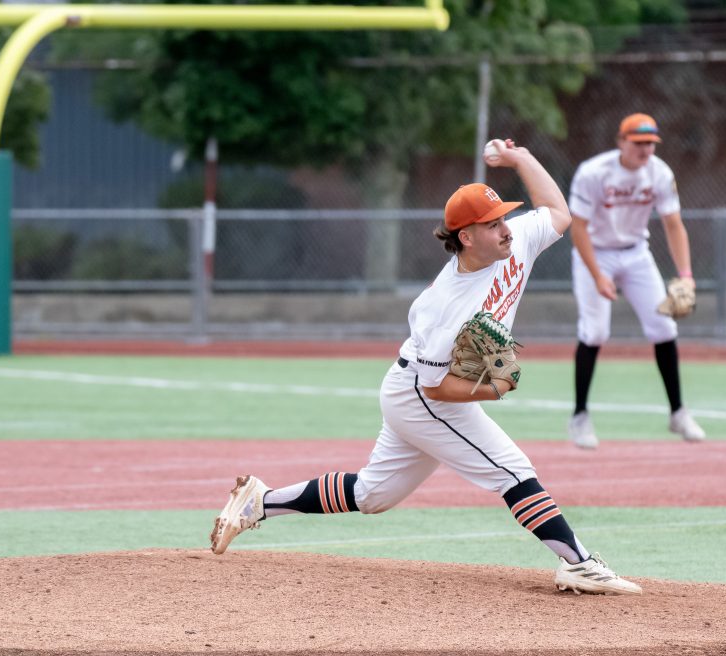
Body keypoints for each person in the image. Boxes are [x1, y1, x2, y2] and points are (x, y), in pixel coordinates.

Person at [210, 139, 641, 596]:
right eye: (493, 224)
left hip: (417, 390)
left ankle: (260, 501)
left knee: (374, 495)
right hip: (421, 395)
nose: (506, 229)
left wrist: (520, 158)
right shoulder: (442, 307)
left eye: (503, 219)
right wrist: (493, 389)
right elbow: (436, 389)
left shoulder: (513, 244)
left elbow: (557, 211)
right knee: (512, 470)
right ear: (466, 237)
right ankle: (578, 563)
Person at [566, 113, 706, 449]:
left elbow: (673, 224)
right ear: (621, 141)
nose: (645, 149)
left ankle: (678, 412)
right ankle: (580, 416)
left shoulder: (659, 172)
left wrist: (686, 274)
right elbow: (578, 228)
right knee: (595, 332)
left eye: (650, 143)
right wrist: (598, 275)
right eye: (638, 142)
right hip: (595, 253)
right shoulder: (593, 172)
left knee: (664, 328)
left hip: (636, 253)